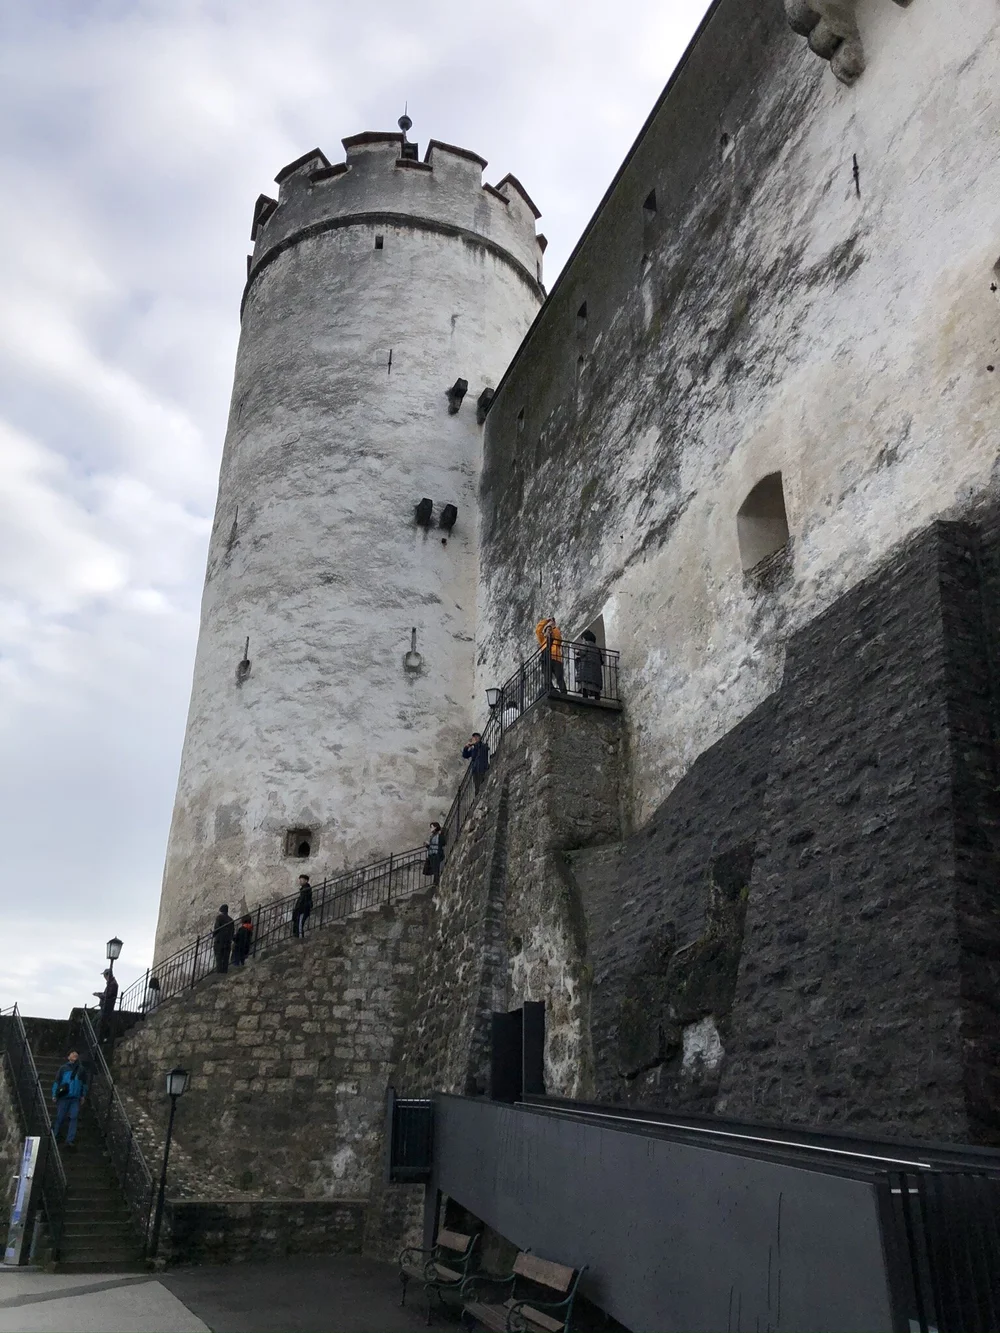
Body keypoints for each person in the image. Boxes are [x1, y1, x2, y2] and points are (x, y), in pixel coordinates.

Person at [51, 1050, 88, 1150]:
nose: (74, 1054)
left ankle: (70, 1139)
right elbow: (57, 1081)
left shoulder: (81, 1069)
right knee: (60, 1116)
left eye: (76, 1053)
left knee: (74, 1117)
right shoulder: (63, 1068)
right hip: (64, 1097)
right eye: (72, 1053)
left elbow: (84, 1083)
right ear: (68, 1057)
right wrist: (54, 1094)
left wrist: (83, 1095)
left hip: (75, 1098)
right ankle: (55, 1135)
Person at [535, 616, 567, 695]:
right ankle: (550, 690)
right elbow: (538, 630)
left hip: (556, 659)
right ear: (544, 633)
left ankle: (564, 692)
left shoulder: (556, 640)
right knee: (547, 678)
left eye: (551, 631)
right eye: (548, 630)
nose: (550, 632)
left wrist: (553, 626)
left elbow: (558, 636)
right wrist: (546, 620)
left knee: (559, 677)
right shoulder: (543, 640)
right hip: (546, 660)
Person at [575, 629, 605, 700]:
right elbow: (601, 661)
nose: (583, 641)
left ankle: (585, 697)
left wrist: (576, 652)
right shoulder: (597, 648)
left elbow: (582, 652)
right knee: (595, 684)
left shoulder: (586, 644)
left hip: (586, 666)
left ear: (585, 638)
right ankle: (597, 698)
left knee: (585, 683)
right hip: (596, 669)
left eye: (583, 639)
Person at [92, 968, 118, 1044]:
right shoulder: (111, 983)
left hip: (107, 1008)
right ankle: (99, 1039)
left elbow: (108, 996)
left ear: (108, 975)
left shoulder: (113, 984)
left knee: (99, 1024)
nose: (104, 977)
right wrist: (99, 994)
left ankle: (99, 1040)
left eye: (104, 975)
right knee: (97, 1023)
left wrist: (99, 995)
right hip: (105, 1007)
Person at [213, 904, 235, 973]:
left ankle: (219, 971)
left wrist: (213, 934)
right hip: (227, 941)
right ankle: (224, 971)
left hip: (219, 940)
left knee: (219, 956)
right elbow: (232, 931)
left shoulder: (219, 918)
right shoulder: (231, 920)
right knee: (226, 957)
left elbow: (216, 928)